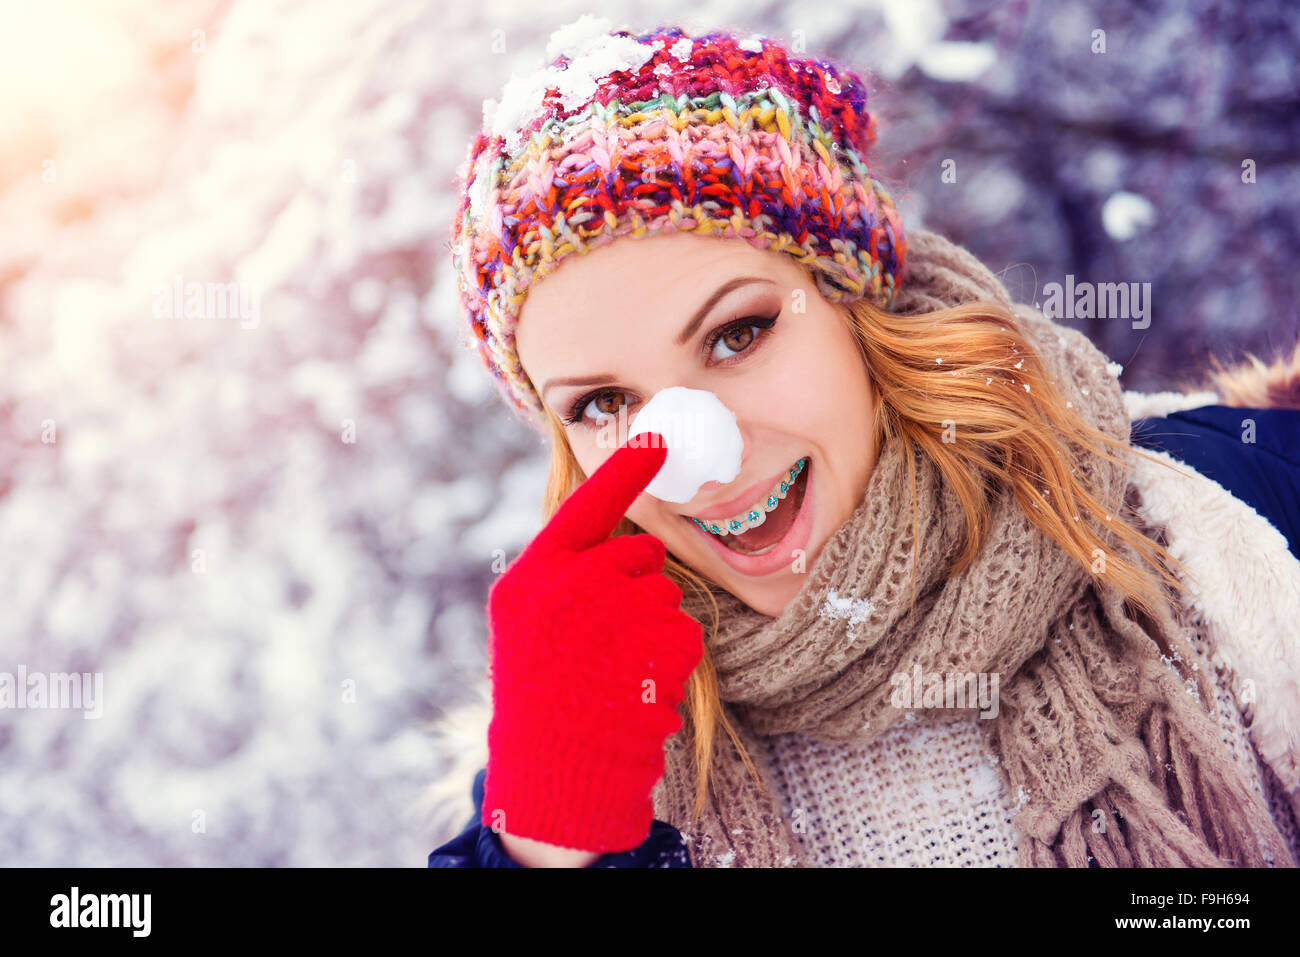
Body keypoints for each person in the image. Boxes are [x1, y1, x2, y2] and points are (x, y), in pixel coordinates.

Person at [428, 18, 1300, 867]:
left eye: (739, 334)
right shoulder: (596, 753)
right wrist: (541, 846)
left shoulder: (1234, 516)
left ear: (855, 305)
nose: (698, 456)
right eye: (603, 403)